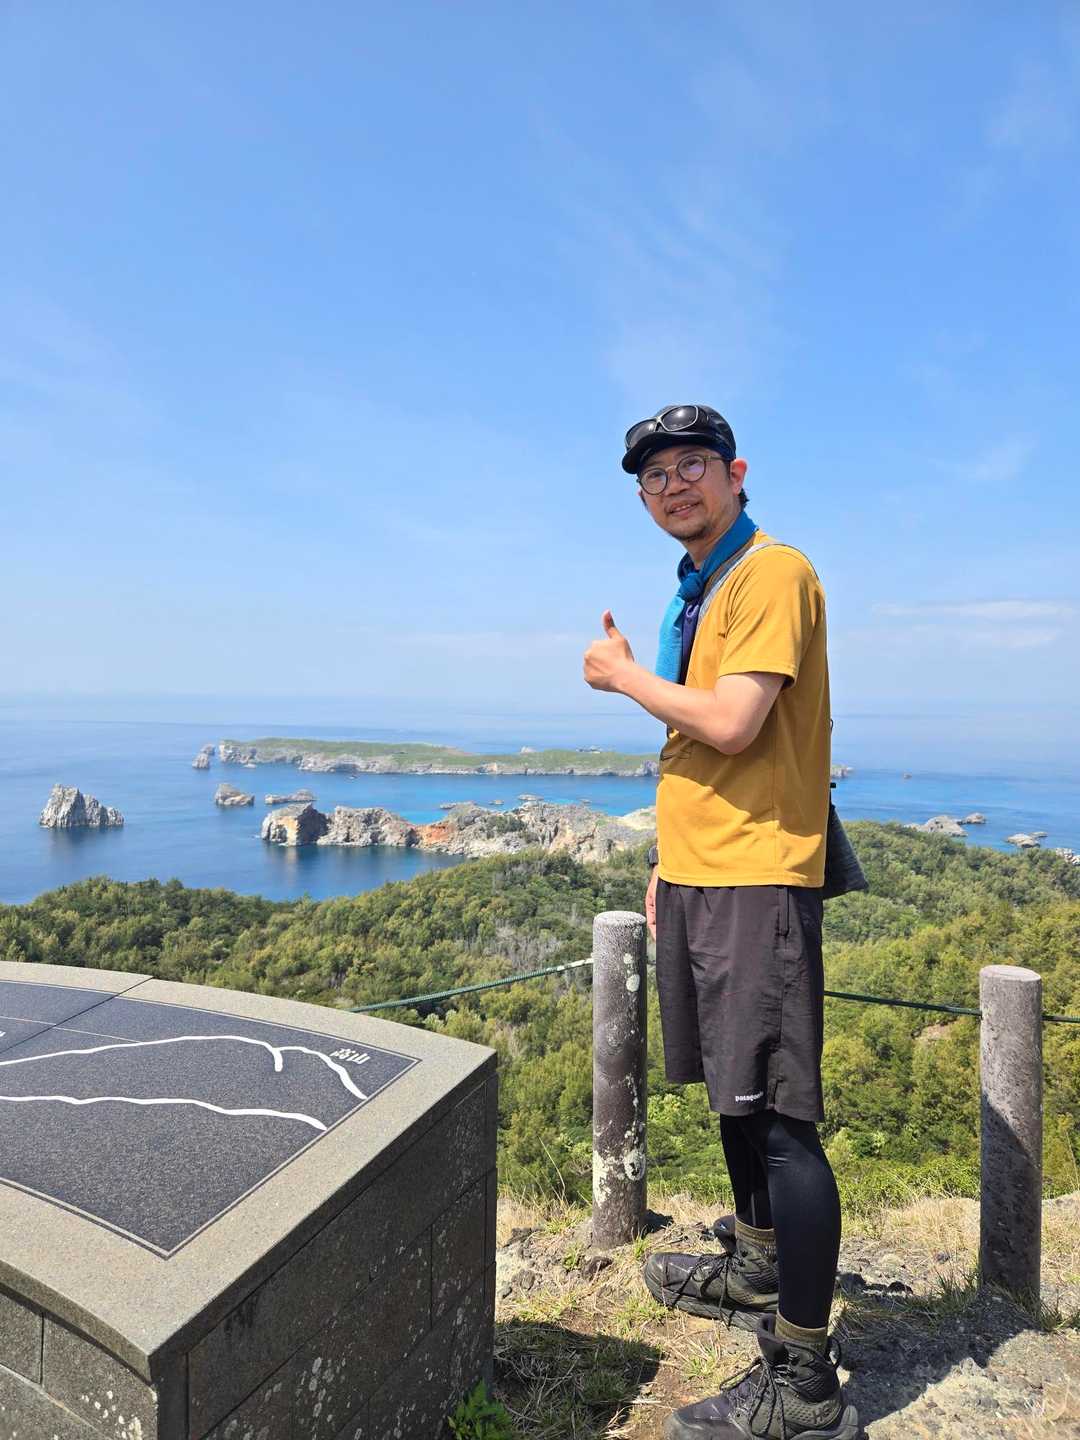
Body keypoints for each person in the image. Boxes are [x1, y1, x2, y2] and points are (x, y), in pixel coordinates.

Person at [583, 405, 858, 1440]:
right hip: (705, 870)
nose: (672, 487)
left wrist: (625, 679)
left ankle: (804, 1383)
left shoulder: (769, 573)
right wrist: (670, 862)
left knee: (782, 1121)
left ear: (735, 473)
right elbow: (698, 750)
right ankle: (755, 1268)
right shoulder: (699, 588)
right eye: (653, 477)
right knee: (734, 1097)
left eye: (691, 466)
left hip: (756, 874)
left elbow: (736, 723)